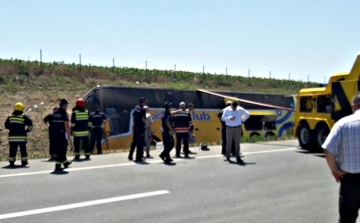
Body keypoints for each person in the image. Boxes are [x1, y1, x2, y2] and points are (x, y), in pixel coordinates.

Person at [322, 92, 360, 223]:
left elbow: (328, 149)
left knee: (347, 219)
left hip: (350, 181)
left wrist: (335, 170)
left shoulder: (342, 123)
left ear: (353, 106)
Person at [4, 102, 33, 167]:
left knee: (12, 150)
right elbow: (30, 125)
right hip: (22, 137)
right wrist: (27, 131)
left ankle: (11, 161)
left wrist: (12, 129)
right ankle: (24, 161)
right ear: (22, 109)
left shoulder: (10, 116)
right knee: (23, 150)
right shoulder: (24, 117)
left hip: (12, 137)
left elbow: (6, 125)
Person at [52, 99, 72, 171]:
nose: (67, 106)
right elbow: (66, 125)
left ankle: (65, 163)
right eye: (66, 105)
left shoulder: (55, 112)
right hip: (62, 133)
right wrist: (69, 135)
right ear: (63, 105)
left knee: (59, 148)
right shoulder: (64, 113)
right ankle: (58, 165)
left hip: (55, 133)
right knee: (62, 149)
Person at [128, 97, 146, 162]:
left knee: (134, 141)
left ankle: (130, 155)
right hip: (140, 127)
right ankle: (138, 158)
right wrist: (145, 120)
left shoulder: (136, 108)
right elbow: (143, 119)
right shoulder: (142, 109)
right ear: (143, 102)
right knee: (140, 142)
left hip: (135, 126)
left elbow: (133, 116)